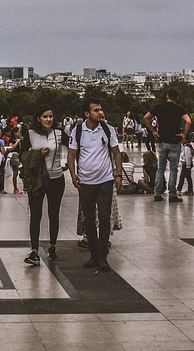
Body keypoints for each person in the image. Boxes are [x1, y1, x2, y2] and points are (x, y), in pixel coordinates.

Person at [67, 99, 122, 272]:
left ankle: (102, 255)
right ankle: (93, 254)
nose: (101, 112)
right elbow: (71, 155)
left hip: (105, 180)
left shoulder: (107, 129)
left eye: (101, 109)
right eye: (96, 110)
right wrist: (73, 174)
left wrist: (118, 174)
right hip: (86, 182)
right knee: (89, 220)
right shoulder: (77, 131)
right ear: (87, 114)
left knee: (105, 219)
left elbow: (116, 152)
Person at [21, 107, 68, 267]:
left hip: (56, 178)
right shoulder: (30, 134)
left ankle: (52, 246)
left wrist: (70, 165)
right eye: (45, 116)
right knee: (36, 215)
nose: (48, 119)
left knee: (54, 214)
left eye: (51, 116)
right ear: (38, 118)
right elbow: (22, 155)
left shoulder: (59, 133)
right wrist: (38, 155)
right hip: (38, 179)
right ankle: (34, 250)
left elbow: (74, 147)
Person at [144, 88, 189, 203]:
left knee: (160, 168)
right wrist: (183, 134)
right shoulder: (179, 109)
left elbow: (146, 118)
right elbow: (188, 121)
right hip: (175, 140)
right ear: (177, 98)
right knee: (174, 168)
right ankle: (172, 194)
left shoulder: (159, 107)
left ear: (167, 96)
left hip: (162, 140)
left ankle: (157, 193)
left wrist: (153, 131)